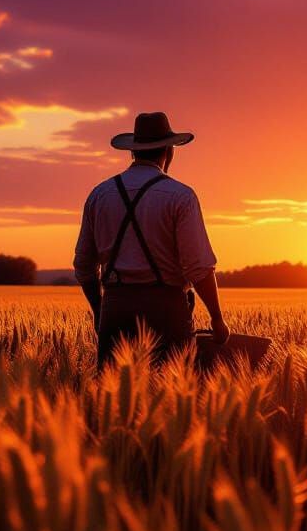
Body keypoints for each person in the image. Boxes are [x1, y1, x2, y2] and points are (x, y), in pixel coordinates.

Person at [73, 111, 229, 369]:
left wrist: (100, 311)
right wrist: (217, 320)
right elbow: (198, 267)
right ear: (169, 150)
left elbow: (83, 265)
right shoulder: (180, 196)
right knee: (168, 397)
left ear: (132, 151)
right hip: (166, 311)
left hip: (115, 310)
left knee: (115, 405)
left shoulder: (99, 195)